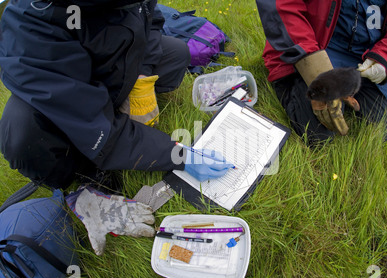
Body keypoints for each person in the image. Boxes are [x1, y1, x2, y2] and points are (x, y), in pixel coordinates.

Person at [0, 0, 233, 191]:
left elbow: (151, 22)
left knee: (177, 53)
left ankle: (122, 106)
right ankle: (82, 178)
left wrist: (143, 78)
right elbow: (93, 124)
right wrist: (179, 155)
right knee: (22, 131)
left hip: (109, 67)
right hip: (73, 97)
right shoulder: (33, 24)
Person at [256, 0, 387, 146]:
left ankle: (345, 94)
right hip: (319, 46)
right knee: (317, 134)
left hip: (368, 56)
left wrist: (385, 57)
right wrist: (314, 68)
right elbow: (282, 5)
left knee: (378, 133)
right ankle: (292, 84)